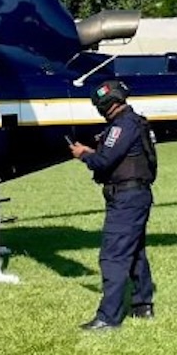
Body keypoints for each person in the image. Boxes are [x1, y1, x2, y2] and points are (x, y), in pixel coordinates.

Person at [68, 79, 157, 331]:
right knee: (135, 252)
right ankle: (142, 305)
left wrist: (84, 154)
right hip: (137, 194)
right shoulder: (136, 122)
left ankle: (108, 318)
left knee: (114, 256)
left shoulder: (122, 126)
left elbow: (104, 161)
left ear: (106, 104)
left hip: (126, 198)